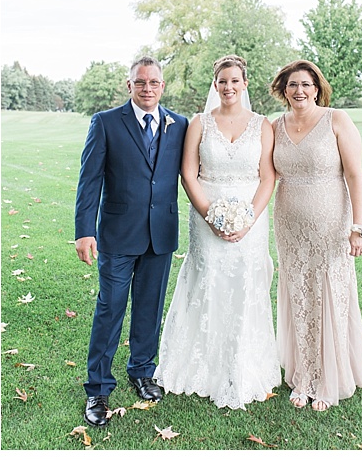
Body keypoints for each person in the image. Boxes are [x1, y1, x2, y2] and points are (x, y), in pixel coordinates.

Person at [155, 55, 280, 408]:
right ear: (215, 85)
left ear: (245, 84)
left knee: (244, 285)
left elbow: (268, 176)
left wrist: (249, 218)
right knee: (207, 280)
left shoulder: (262, 125)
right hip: (206, 215)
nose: (228, 87)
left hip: (250, 220)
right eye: (222, 81)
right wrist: (211, 215)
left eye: (234, 81)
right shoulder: (200, 124)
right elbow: (188, 175)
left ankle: (241, 367)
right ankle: (198, 365)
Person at [75, 56, 190, 426]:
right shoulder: (106, 123)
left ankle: (142, 370)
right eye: (140, 83)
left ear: (162, 86)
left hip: (161, 233)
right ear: (129, 86)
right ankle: (98, 388)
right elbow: (89, 180)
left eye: (154, 83)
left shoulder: (180, 125)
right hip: (117, 234)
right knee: (110, 308)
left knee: (149, 308)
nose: (147, 89)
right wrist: (84, 229)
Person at [269, 60, 362, 411]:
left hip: (331, 224)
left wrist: (359, 228)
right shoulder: (274, 126)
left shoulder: (337, 120)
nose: (300, 91)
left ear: (317, 88)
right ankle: (304, 375)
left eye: (306, 85)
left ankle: (329, 379)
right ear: (284, 89)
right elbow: (265, 175)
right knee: (298, 294)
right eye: (293, 84)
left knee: (329, 293)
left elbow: (355, 176)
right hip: (289, 225)